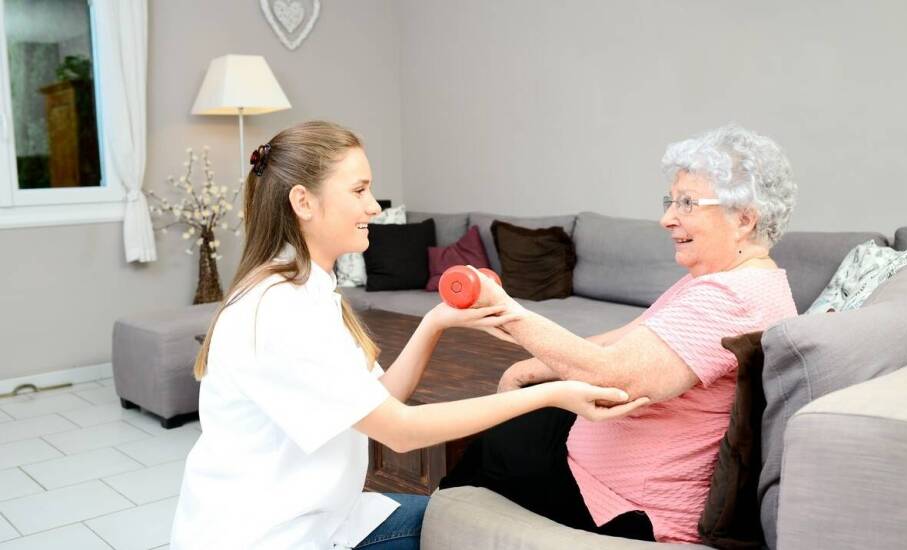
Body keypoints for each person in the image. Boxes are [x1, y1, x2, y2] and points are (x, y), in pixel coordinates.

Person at [169, 121, 646, 550]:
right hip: (270, 536)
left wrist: (434, 322)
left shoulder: (309, 289)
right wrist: (549, 395)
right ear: (303, 201)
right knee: (470, 526)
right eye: (359, 190)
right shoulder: (279, 309)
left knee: (463, 515)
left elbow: (380, 399)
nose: (373, 206)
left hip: (328, 520)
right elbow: (398, 430)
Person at [440, 124, 799, 544]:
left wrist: (507, 310)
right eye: (670, 201)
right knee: (512, 420)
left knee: (487, 445)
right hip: (599, 464)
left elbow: (614, 375)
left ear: (744, 219)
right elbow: (624, 336)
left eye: (687, 203)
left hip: (629, 503)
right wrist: (531, 366)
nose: (667, 218)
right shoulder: (725, 278)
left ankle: (435, 523)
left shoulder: (732, 297)